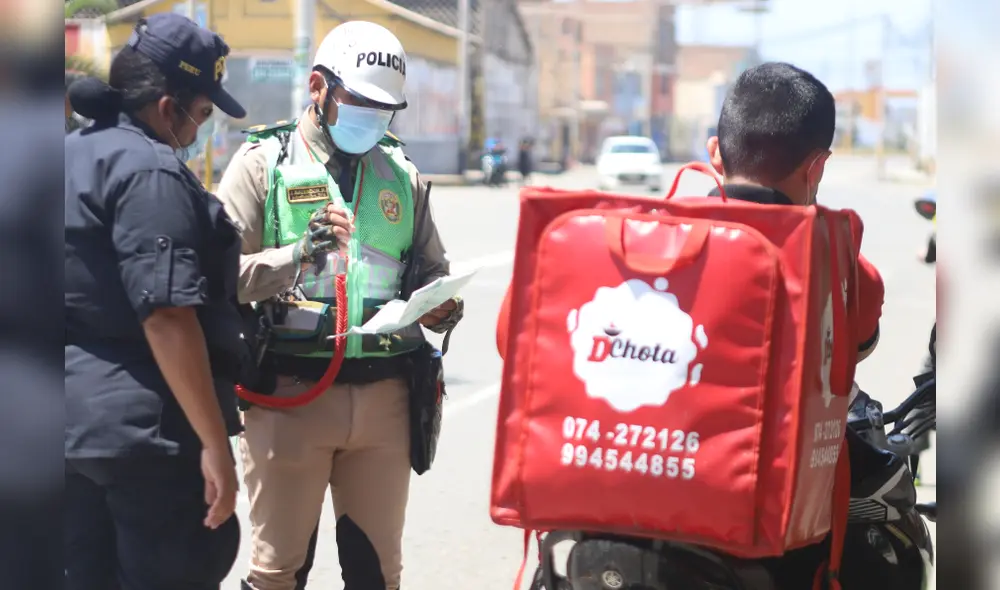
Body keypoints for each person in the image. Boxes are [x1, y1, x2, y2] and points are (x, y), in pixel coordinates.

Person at [496, 62, 886, 590]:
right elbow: (849, 354)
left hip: (595, 522)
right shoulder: (837, 263)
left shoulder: (633, 234)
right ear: (817, 166)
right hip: (748, 535)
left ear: (715, 154)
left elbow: (511, 341)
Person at [215, 20, 463, 590]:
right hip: (288, 398)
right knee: (278, 573)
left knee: (378, 576)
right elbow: (218, 277)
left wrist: (440, 307)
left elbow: (432, 272)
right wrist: (296, 255)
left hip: (385, 401)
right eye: (359, 102)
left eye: (384, 109)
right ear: (318, 87)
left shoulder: (401, 174)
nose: (371, 119)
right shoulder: (263, 165)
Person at [64, 14, 248, 590]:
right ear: (169, 106)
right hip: (145, 437)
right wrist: (216, 444)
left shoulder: (69, 156)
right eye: (201, 115)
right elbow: (167, 316)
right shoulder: (150, 172)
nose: (198, 132)